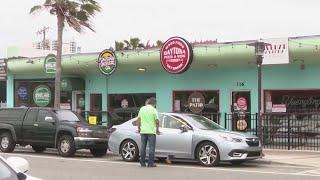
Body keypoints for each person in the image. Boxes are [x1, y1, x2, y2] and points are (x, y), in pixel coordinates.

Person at [137, 97, 160, 167]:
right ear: (154, 103)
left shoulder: (142, 109)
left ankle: (142, 163)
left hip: (143, 131)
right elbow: (157, 121)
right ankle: (150, 163)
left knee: (143, 147)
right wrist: (157, 129)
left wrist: (139, 128)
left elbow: (139, 119)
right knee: (151, 147)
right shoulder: (154, 110)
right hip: (151, 132)